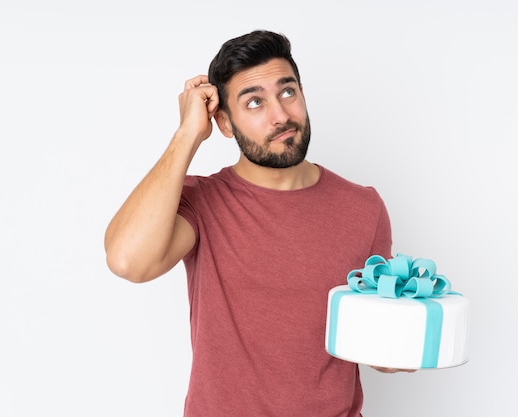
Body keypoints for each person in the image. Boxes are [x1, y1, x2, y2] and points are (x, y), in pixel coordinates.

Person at [105, 30, 405, 417]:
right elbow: (128, 260)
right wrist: (187, 134)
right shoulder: (202, 202)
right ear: (225, 124)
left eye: (287, 92)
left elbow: (373, 339)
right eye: (254, 103)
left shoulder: (364, 207)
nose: (280, 115)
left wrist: (399, 345)